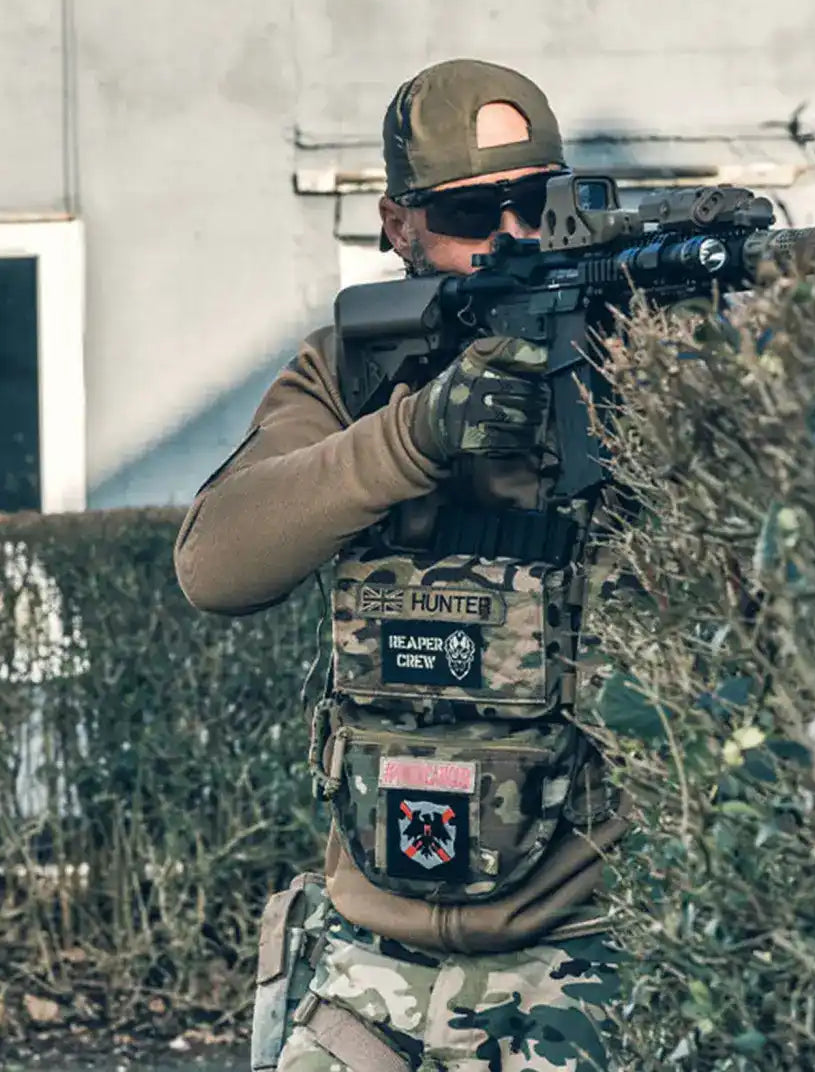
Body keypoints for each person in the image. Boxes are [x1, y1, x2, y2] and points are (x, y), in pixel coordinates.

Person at [175, 59, 631, 1072]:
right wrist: (415, 434)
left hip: (585, 961)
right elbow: (215, 565)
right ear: (399, 226)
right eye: (475, 212)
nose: (513, 237)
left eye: (537, 203)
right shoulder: (351, 371)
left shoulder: (636, 354)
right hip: (368, 971)